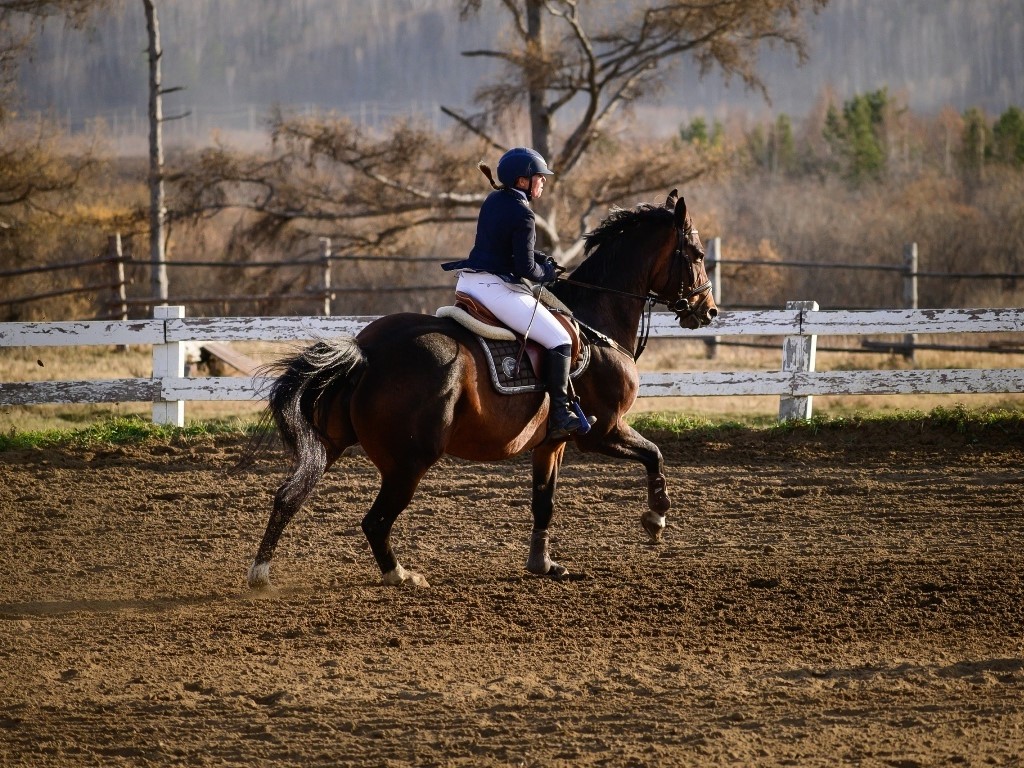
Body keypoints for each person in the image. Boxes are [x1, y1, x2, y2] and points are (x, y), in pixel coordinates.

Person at [442, 147, 583, 440]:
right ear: (523, 181)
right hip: (496, 289)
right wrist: (549, 273)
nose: (543, 182)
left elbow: (508, 248)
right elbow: (526, 268)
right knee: (559, 339)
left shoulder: (494, 200)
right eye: (539, 178)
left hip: (469, 283)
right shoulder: (524, 213)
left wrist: (540, 258)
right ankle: (559, 415)